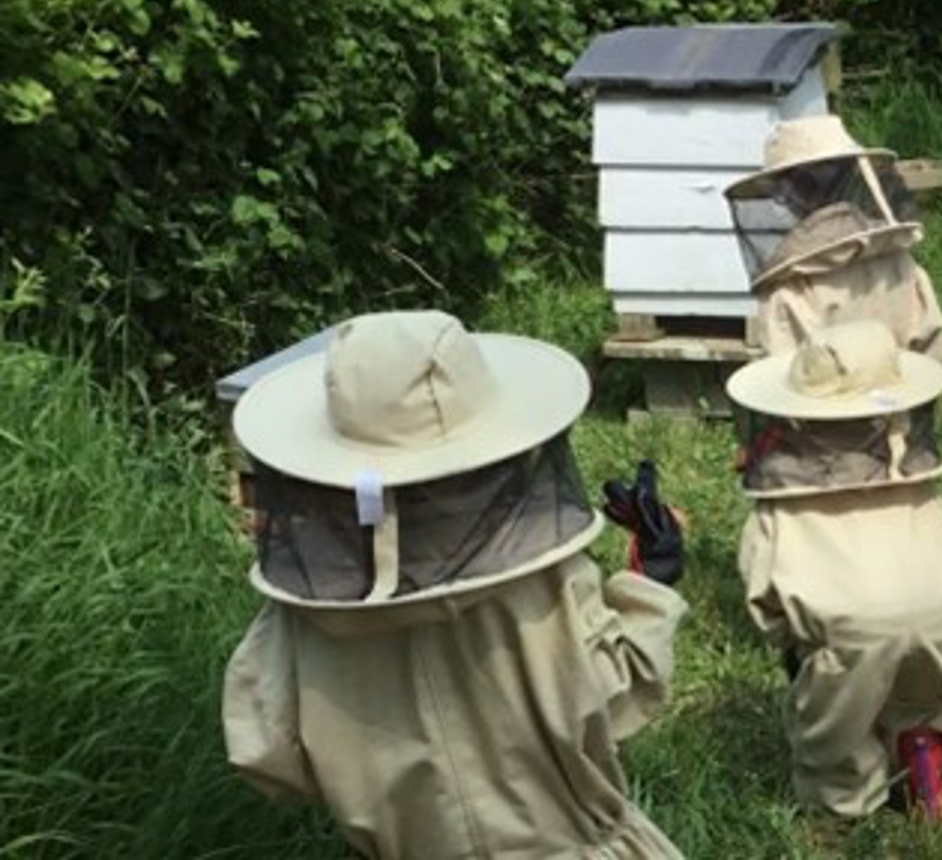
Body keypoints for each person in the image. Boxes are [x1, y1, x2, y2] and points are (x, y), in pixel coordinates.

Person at [222, 310, 689, 858]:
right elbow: (618, 695)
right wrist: (651, 584)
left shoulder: (302, 613)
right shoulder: (549, 584)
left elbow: (266, 751)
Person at [728, 320, 942, 820]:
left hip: (849, 627)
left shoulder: (779, 507)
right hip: (940, 612)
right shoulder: (917, 479)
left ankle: (847, 807)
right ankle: (923, 741)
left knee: (834, 724)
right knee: (922, 685)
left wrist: (794, 641)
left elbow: (765, 598)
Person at [727, 115, 942, 362]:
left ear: (789, 194)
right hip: (903, 394)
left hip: (826, 399)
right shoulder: (900, 262)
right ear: (853, 174)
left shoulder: (790, 289)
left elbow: (783, 379)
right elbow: (932, 350)